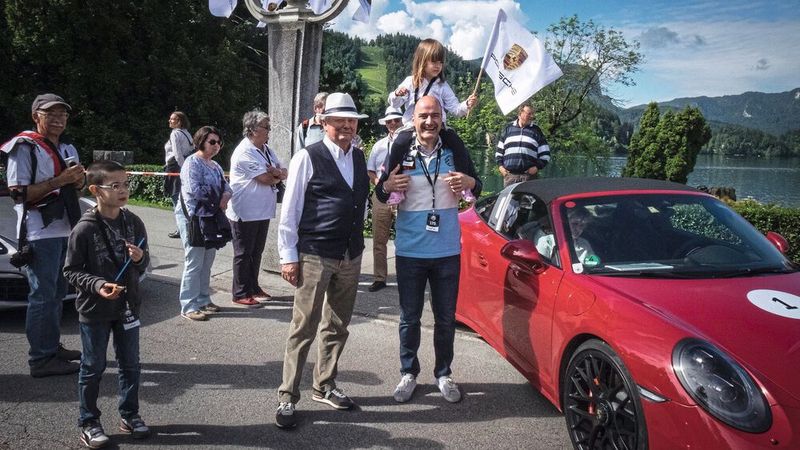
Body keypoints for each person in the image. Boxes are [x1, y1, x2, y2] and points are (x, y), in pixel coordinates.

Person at [376, 95, 481, 404]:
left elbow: (477, 185)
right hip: (410, 251)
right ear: (414, 118)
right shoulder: (401, 147)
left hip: (447, 250)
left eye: (435, 115)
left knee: (445, 319)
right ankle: (408, 373)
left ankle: (443, 374)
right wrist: (388, 186)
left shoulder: (453, 147)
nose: (429, 121)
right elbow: (381, 192)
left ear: (442, 118)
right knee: (409, 318)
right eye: (423, 116)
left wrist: (468, 181)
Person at [275, 92, 370, 429]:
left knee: (338, 325)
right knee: (303, 327)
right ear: (324, 122)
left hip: (350, 254)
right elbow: (290, 210)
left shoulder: (358, 157)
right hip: (314, 254)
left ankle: (324, 384)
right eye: (339, 120)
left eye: (351, 120)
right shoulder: (307, 156)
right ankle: (287, 394)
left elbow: (360, 203)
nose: (346, 126)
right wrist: (288, 257)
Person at [63, 160, 151, 448]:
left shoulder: (134, 222)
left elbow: (144, 262)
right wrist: (98, 285)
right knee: (92, 367)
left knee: (131, 364)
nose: (123, 190)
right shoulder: (84, 229)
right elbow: (71, 271)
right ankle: (88, 421)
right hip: (95, 310)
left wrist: (139, 258)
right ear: (95, 190)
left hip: (128, 307)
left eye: (126, 184)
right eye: (115, 185)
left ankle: (130, 414)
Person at [1, 93, 85, 378]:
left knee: (58, 294)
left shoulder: (68, 148)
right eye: (51, 114)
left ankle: (51, 347)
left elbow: (76, 189)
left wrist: (78, 181)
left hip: (66, 228)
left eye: (63, 114)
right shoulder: (24, 147)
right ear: (36, 116)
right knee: (43, 296)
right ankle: (40, 359)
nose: (58, 119)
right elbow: (18, 194)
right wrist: (60, 180)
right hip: (39, 232)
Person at [227, 110, 287, 307]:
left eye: (269, 127)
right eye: (265, 127)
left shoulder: (266, 149)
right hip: (245, 210)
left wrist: (277, 172)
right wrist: (276, 175)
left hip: (262, 210)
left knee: (256, 252)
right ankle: (240, 292)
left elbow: (284, 171)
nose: (269, 130)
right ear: (252, 129)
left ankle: (253, 287)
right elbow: (265, 179)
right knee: (243, 253)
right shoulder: (245, 151)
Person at [176, 126, 232, 321]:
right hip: (194, 217)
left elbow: (226, 186)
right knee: (194, 261)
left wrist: (226, 195)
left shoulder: (215, 165)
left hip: (211, 217)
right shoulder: (192, 163)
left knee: (207, 261)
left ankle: (203, 299)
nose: (217, 146)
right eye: (212, 142)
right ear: (201, 142)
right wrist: (220, 199)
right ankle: (189, 305)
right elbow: (195, 190)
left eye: (219, 142)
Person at [388, 38, 478, 126]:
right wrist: (397, 94)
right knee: (400, 137)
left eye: (441, 62)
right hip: (411, 127)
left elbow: (456, 109)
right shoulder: (410, 82)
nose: (438, 66)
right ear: (422, 61)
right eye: (434, 62)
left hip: (437, 128)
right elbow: (395, 104)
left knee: (453, 136)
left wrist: (467, 104)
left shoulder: (442, 85)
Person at [365, 106, 403, 292]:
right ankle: (379, 277)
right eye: (389, 121)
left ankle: (405, 276)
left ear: (402, 121)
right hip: (381, 195)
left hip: (404, 195)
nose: (393, 123)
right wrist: (379, 185)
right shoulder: (379, 145)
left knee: (405, 237)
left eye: (396, 120)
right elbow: (370, 170)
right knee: (379, 239)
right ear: (385, 124)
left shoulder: (410, 142)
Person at [496, 103, 551, 187]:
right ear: (520, 113)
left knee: (529, 196)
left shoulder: (536, 131)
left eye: (532, 114)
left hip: (529, 177)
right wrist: (501, 167)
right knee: (510, 196)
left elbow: (545, 154)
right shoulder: (508, 129)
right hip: (510, 177)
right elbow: (499, 152)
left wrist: (537, 167)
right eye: (529, 113)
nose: (532, 116)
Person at [164, 111, 193, 239]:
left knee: (176, 197)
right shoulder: (187, 133)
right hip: (184, 165)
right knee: (183, 198)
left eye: (172, 119)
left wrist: (182, 169)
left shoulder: (175, 133)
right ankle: (187, 226)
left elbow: (177, 153)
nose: (169, 121)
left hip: (175, 167)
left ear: (179, 121)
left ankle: (181, 228)